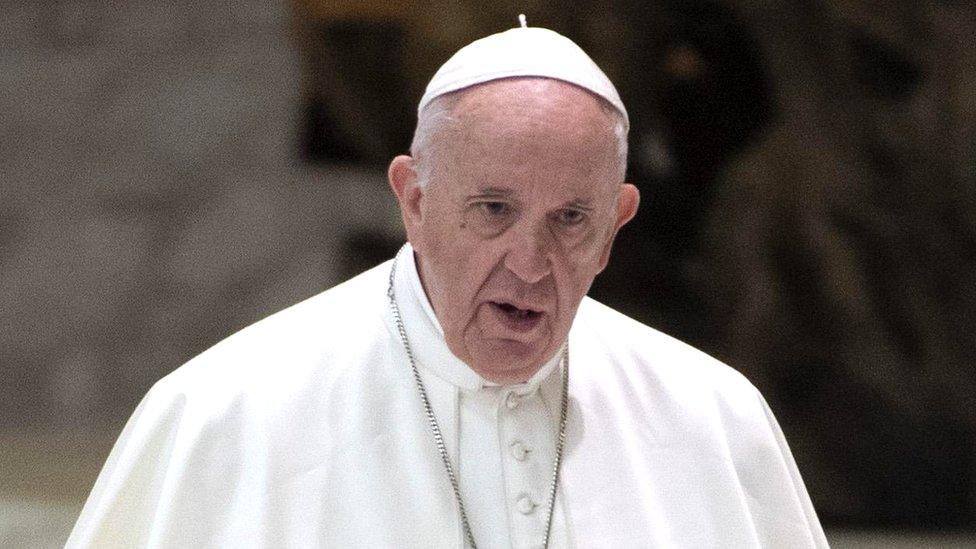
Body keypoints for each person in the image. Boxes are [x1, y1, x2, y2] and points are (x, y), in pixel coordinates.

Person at [67, 21, 828, 549]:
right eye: (493, 210)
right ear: (416, 200)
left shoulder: (714, 420)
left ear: (617, 224)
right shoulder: (224, 414)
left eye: (570, 218)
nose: (530, 265)